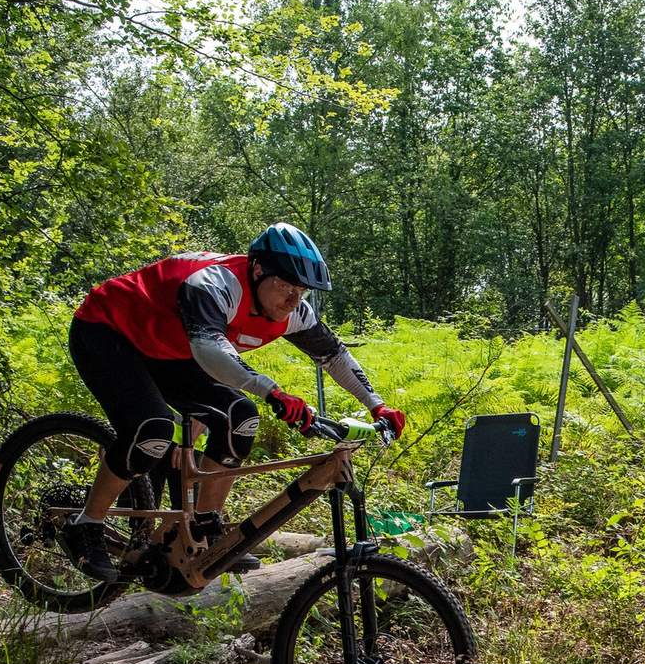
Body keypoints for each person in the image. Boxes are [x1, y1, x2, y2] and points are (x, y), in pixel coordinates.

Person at [59, 223, 407, 583]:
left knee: (240, 416)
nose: (294, 299)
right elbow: (211, 349)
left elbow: (334, 355)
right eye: (286, 286)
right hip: (108, 330)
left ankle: (205, 527)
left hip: (170, 350)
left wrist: (377, 405)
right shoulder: (214, 285)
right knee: (152, 428)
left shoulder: (293, 312)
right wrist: (273, 391)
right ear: (257, 271)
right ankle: (86, 524)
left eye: (301, 290)